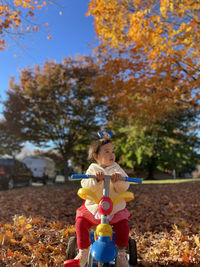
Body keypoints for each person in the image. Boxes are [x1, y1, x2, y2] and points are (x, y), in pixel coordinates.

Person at [74, 132, 131, 267]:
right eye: (107, 152)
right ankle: (83, 251)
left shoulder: (117, 168)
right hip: (94, 206)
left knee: (123, 225)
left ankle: (121, 253)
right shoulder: (93, 168)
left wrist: (118, 180)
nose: (112, 155)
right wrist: (95, 179)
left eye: (112, 151)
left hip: (114, 207)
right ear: (96, 156)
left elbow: (125, 185)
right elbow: (85, 184)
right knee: (81, 222)